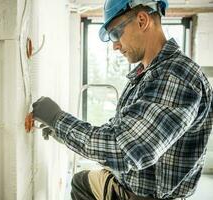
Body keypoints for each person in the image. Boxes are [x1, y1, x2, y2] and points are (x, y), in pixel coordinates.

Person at [31, 0, 213, 199]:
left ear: (142, 20)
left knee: (80, 183)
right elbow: (120, 128)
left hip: (144, 195)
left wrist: (58, 119)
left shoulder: (177, 76)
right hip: (129, 181)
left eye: (115, 34)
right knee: (81, 181)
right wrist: (64, 133)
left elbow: (123, 150)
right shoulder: (148, 74)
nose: (115, 45)